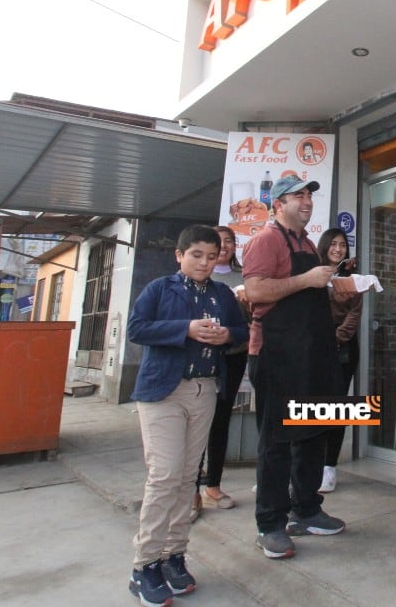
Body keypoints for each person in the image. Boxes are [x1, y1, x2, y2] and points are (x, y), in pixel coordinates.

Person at [126, 225, 248, 607]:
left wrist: (225, 335)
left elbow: (242, 331)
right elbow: (136, 328)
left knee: (185, 479)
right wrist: (187, 329)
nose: (205, 262)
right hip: (162, 392)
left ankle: (174, 556)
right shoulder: (160, 289)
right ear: (179, 256)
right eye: (196, 255)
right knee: (164, 476)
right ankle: (145, 564)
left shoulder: (223, 294)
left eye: (212, 256)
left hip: (204, 390)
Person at [242, 175, 347, 560]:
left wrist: (335, 288)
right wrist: (306, 279)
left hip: (311, 354)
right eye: (297, 196)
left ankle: (306, 509)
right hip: (277, 354)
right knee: (277, 441)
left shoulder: (305, 242)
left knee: (313, 432)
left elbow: (307, 292)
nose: (306, 201)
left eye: (309, 196)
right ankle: (270, 523)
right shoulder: (266, 239)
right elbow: (255, 291)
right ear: (277, 204)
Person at [192, 226, 249, 517]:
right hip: (201, 357)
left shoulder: (244, 276)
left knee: (221, 418)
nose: (224, 246)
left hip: (233, 356)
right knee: (196, 421)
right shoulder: (199, 276)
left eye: (229, 241)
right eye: (219, 242)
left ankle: (213, 486)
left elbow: (250, 322)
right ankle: (191, 491)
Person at [316, 227, 363, 493]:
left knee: (337, 407)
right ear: (324, 247)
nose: (338, 249)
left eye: (342, 245)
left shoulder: (352, 279)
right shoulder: (313, 275)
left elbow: (354, 315)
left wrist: (335, 337)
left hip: (343, 348)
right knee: (312, 406)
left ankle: (329, 467)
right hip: (315, 348)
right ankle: (308, 463)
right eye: (333, 244)